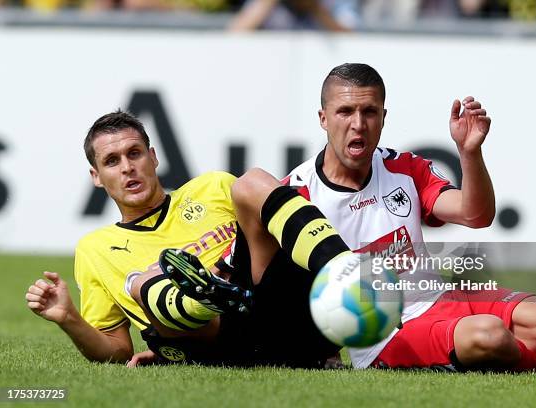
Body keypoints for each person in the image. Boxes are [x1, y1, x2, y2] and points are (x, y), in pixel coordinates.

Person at [280, 62, 536, 374]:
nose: (358, 123)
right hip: (387, 336)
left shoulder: (403, 168)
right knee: (490, 336)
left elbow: (476, 215)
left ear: (383, 116)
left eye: (369, 112)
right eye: (345, 112)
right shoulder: (297, 196)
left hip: (443, 298)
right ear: (323, 118)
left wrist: (469, 152)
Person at [25, 110, 353, 367]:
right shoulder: (95, 249)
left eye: (134, 153)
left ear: (153, 157)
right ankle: (208, 298)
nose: (127, 167)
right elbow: (118, 349)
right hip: (215, 344)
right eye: (112, 161)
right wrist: (69, 319)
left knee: (252, 181)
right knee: (144, 282)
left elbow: (269, 245)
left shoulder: (211, 187)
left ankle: (346, 269)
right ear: (96, 176)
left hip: (277, 314)